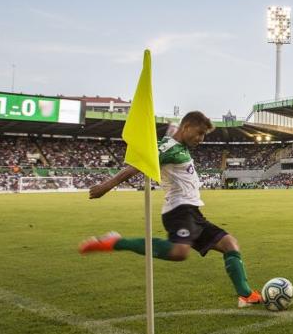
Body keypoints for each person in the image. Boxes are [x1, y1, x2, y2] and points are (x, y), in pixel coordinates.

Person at [79, 112, 263, 307]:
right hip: (179, 211)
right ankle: (117, 242)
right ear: (187, 127)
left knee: (230, 244)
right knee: (179, 252)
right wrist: (107, 186)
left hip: (193, 212)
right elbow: (138, 165)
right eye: (199, 133)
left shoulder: (178, 142)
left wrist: (173, 125)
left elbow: (174, 128)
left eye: (203, 135)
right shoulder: (168, 148)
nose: (201, 139)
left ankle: (246, 295)